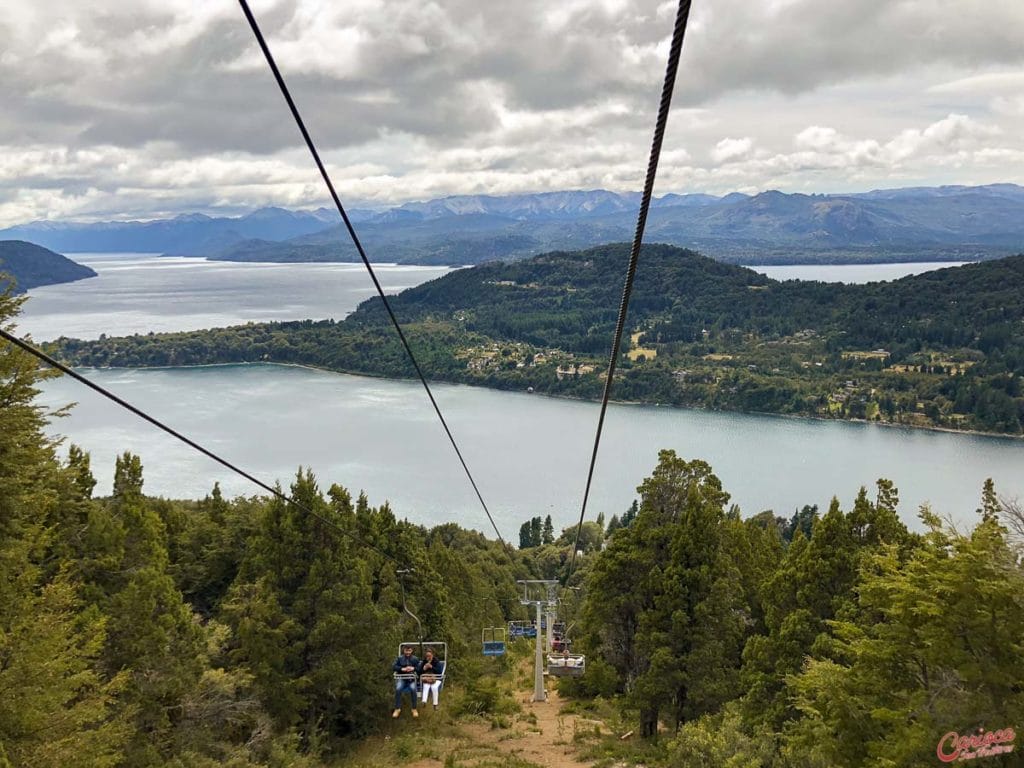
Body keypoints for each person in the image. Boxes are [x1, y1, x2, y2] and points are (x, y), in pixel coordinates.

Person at [392, 645, 420, 718]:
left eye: (409, 650)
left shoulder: (415, 659)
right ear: (403, 650)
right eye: (406, 651)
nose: (407, 652)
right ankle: (397, 709)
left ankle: (414, 709)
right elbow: (394, 666)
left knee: (413, 689)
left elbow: (419, 668)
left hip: (411, 679)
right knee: (398, 689)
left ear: (412, 651)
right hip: (402, 678)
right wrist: (402, 669)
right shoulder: (399, 658)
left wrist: (413, 668)